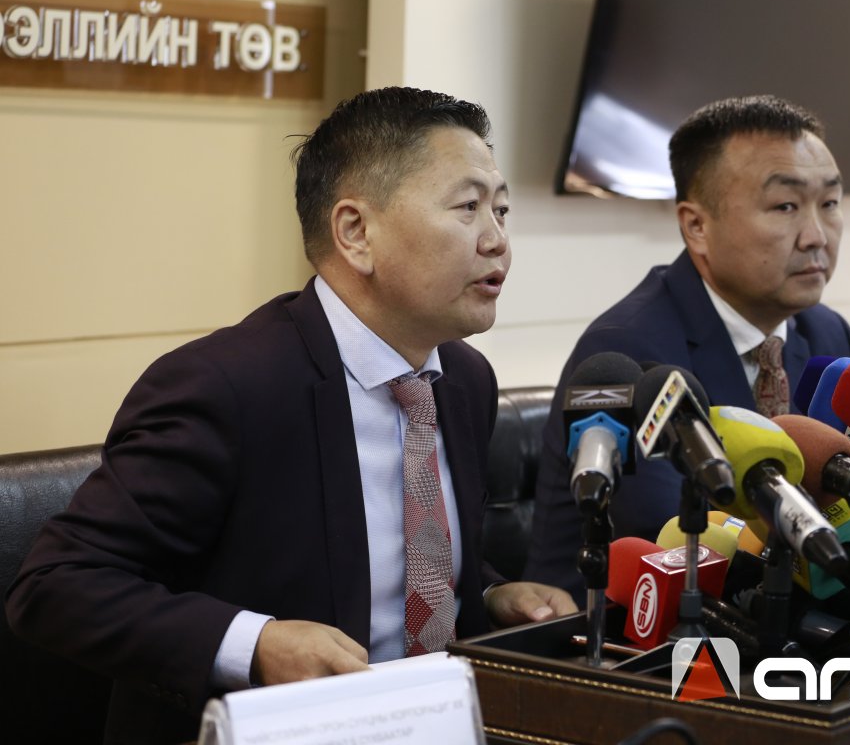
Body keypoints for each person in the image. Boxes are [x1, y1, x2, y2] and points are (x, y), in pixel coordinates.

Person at [6, 87, 575, 744]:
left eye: (501, 209)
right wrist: (256, 645)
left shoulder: (464, 381)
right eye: (468, 207)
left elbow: (399, 559)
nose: (498, 241)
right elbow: (55, 586)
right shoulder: (225, 387)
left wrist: (487, 594)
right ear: (356, 233)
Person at [524, 95, 850, 601]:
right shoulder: (628, 349)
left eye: (830, 203)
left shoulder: (826, 333)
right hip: (623, 631)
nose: (816, 236)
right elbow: (685, 539)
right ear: (697, 226)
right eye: (786, 207)